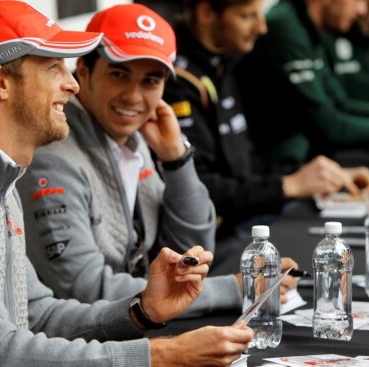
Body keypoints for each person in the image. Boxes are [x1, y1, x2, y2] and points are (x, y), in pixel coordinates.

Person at [0, 2, 254, 367]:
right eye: (53, 67)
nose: (72, 84)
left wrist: (142, 310)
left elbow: (37, 313)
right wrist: (161, 355)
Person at [18, 3, 299, 313]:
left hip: (132, 320)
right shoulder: (52, 156)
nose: (133, 97)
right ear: (83, 71)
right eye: (119, 74)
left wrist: (177, 159)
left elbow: (191, 252)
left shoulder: (137, 137)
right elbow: (84, 289)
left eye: (150, 81)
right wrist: (232, 289)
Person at [161, 0, 369, 238]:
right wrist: (289, 184)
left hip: (245, 219)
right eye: (247, 16)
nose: (262, 28)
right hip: (214, 239)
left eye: (260, 15)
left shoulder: (224, 63)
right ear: (205, 12)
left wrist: (318, 177)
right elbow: (198, 188)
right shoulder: (177, 80)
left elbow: (244, 165)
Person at [236, 0, 369, 170]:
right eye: (356, 0)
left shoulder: (310, 26)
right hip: (270, 171)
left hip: (298, 163)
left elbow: (340, 103)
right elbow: (328, 124)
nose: (361, 10)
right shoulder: (285, 25)